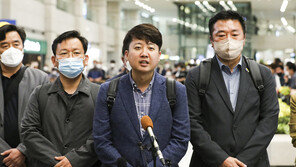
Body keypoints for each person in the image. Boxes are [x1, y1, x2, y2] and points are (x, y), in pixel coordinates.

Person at [186, 11, 279, 167]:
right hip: (208, 162)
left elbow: (269, 119)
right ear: (211, 40)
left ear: (244, 39)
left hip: (253, 162)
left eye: (235, 34)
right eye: (221, 35)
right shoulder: (197, 76)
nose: (229, 40)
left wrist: (244, 160)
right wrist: (221, 159)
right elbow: (192, 122)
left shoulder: (262, 74)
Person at [93, 24, 190, 167]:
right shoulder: (108, 90)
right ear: (126, 55)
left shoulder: (176, 90)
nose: (144, 53)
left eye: (151, 48)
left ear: (158, 55)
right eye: (138, 47)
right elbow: (102, 140)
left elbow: (180, 140)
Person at [21, 30, 100, 167]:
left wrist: (74, 159)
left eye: (76, 53)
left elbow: (102, 133)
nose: (70, 57)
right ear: (54, 61)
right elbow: (29, 131)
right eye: (64, 53)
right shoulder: (40, 93)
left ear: (85, 59)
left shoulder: (99, 94)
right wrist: (56, 161)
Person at [0, 24, 48, 167]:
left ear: (23, 46)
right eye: (4, 45)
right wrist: (7, 154)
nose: (11, 49)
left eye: (16, 44)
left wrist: (22, 151)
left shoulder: (40, 79)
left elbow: (46, 121)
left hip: (30, 157)